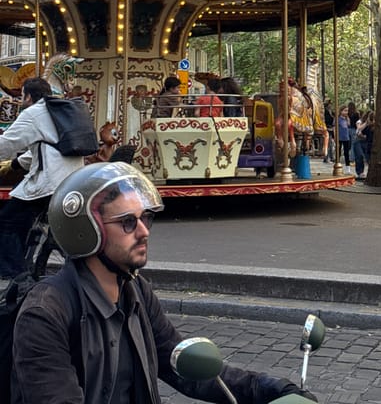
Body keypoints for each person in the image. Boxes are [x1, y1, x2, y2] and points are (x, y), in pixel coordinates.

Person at [12, 162, 314, 404]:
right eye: (128, 222)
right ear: (86, 231)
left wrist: (273, 390)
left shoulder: (135, 291)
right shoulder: (46, 314)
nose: (144, 231)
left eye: (146, 219)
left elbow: (184, 366)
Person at [0, 77, 84, 279]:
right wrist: (14, 164)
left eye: (22, 96)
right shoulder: (58, 110)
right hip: (73, 178)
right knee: (23, 219)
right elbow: (48, 148)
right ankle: (30, 261)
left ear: (28, 96)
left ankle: (16, 276)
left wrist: (9, 158)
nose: (22, 100)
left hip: (50, 182)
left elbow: (7, 144)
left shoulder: (34, 113)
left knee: (6, 223)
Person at [338, 105, 351, 173]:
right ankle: (338, 165)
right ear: (341, 111)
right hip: (339, 137)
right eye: (345, 110)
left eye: (347, 111)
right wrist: (335, 137)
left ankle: (347, 167)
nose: (346, 112)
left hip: (346, 137)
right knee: (338, 152)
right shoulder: (338, 119)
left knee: (346, 153)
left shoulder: (347, 119)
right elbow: (335, 128)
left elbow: (348, 126)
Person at [322, 98, 335, 163]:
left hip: (331, 128)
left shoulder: (331, 112)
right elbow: (325, 120)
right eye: (330, 104)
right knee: (328, 143)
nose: (331, 105)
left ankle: (331, 157)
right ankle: (326, 157)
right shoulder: (325, 111)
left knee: (331, 144)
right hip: (326, 128)